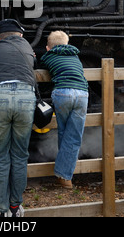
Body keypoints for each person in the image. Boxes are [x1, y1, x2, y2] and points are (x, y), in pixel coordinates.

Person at [0, 19, 37, 217]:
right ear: (21, 35)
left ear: (1, 37)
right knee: (20, 154)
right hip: (26, 97)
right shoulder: (26, 46)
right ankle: (15, 207)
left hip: (0, 96)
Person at [40, 31, 88, 189]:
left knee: (63, 133)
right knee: (73, 137)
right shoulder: (75, 56)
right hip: (82, 94)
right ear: (67, 44)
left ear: (49, 47)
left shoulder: (49, 56)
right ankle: (64, 177)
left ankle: (64, 176)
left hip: (63, 93)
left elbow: (42, 64)